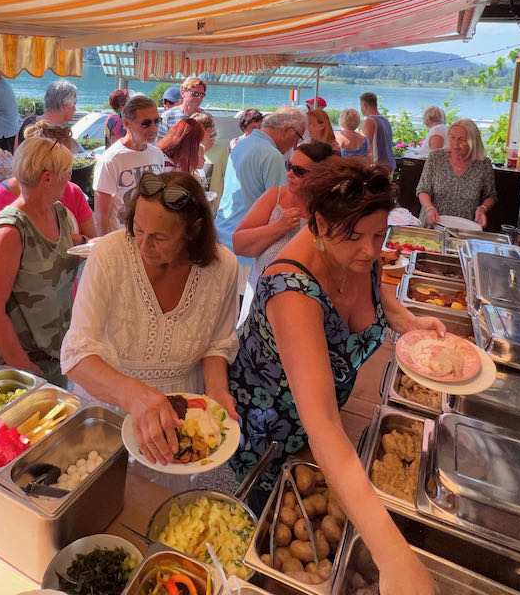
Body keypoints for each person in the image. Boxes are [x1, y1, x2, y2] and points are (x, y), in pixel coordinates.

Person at [228, 159, 444, 595]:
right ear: (321, 225)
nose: (371, 250)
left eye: (379, 235)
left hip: (318, 423)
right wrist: (394, 557)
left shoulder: (361, 255)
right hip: (270, 432)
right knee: (272, 537)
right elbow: (323, 425)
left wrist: (406, 320)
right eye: (356, 237)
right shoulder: (292, 290)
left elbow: (372, 286)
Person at [61, 172, 239, 465]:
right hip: (110, 410)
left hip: (182, 418)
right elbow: (75, 354)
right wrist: (133, 396)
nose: (144, 245)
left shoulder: (223, 267)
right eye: (138, 229)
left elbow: (217, 343)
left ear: (194, 230)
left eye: (159, 237)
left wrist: (217, 391)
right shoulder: (109, 255)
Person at [0, 137, 82, 384]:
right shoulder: (10, 231)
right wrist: (24, 368)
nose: (70, 180)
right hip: (21, 365)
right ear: (47, 178)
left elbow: (56, 259)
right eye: (67, 173)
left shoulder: (58, 212)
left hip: (54, 356)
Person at [0, 123, 96, 265]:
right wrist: (35, 240)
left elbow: (91, 243)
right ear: (46, 172)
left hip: (63, 280)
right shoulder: (3, 195)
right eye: (65, 169)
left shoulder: (72, 191)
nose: (69, 177)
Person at [231, 140, 334, 277]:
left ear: (320, 176)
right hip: (262, 287)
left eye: (299, 171)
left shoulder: (332, 210)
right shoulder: (275, 196)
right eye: (289, 166)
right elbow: (239, 245)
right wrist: (278, 227)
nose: (289, 174)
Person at [215, 106, 306, 252]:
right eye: (298, 137)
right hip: (246, 246)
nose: (295, 144)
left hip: (222, 233)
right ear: (286, 130)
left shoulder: (242, 144)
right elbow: (282, 207)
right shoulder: (272, 156)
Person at [94, 95, 166, 235]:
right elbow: (101, 218)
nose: (154, 128)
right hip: (122, 238)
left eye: (157, 121)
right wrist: (108, 245)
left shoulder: (157, 154)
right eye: (146, 123)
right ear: (126, 123)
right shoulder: (111, 160)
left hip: (149, 235)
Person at [416, 118, 497, 228]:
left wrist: (483, 208)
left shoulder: (483, 164)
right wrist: (429, 208)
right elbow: (423, 190)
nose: (455, 144)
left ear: (473, 141)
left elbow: (490, 195)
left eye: (461, 140)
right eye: (452, 137)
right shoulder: (436, 157)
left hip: (465, 228)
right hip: (433, 225)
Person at [16, 80, 79, 149]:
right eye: (74, 104)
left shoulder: (27, 122)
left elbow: (15, 152)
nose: (75, 109)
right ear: (65, 106)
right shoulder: (58, 137)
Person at [358, 92, 396, 172]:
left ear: (364, 105)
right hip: (390, 165)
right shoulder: (385, 120)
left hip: (378, 168)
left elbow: (363, 146)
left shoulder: (370, 121)